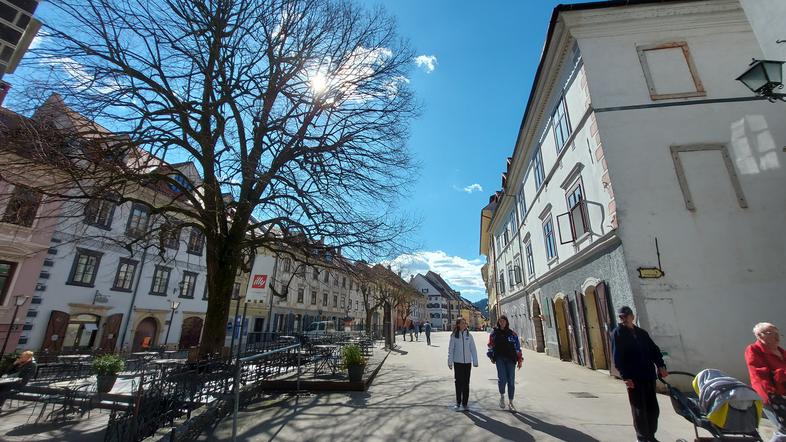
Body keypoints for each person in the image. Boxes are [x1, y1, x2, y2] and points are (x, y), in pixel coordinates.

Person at [611, 306, 668, 442]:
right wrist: (625, 377)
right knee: (639, 409)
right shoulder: (617, 334)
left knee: (653, 408)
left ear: (632, 316)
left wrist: (660, 365)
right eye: (621, 317)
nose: (623, 319)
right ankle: (642, 438)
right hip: (633, 378)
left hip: (648, 375)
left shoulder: (642, 333)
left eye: (625, 316)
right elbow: (617, 357)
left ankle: (651, 436)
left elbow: (654, 350)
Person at [744, 322, 786, 442]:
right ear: (759, 335)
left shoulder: (782, 352)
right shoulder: (753, 350)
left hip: (783, 393)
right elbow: (762, 374)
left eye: (777, 332)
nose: (777, 336)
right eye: (771, 333)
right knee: (783, 429)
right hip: (771, 395)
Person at [488, 315, 523, 412]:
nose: (502, 323)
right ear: (498, 322)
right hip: (500, 359)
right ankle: (502, 396)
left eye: (503, 321)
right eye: (500, 321)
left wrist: (519, 359)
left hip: (511, 359)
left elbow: (517, 347)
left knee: (511, 381)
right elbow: (490, 345)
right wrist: (491, 356)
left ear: (506, 322)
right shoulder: (494, 334)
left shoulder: (512, 334)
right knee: (502, 379)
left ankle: (511, 402)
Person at [447, 318, 478, 411]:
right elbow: (451, 349)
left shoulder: (469, 335)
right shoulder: (453, 336)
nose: (464, 325)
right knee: (458, 383)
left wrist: (475, 361)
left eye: (465, 323)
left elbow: (473, 349)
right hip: (458, 362)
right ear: (458, 325)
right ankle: (458, 402)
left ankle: (465, 403)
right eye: (462, 323)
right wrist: (450, 361)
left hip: (467, 363)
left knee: (466, 383)